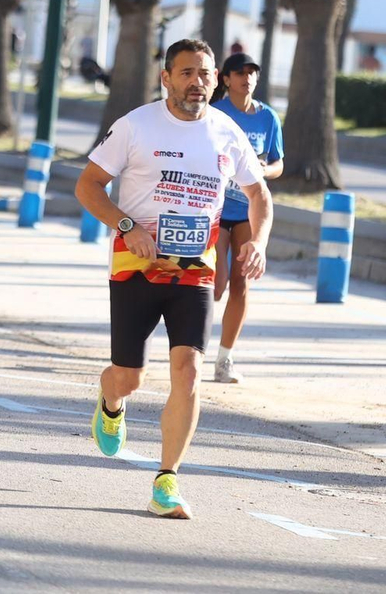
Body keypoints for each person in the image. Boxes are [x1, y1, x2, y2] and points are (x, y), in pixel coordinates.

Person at [74, 38, 271, 519]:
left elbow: (259, 194)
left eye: (205, 73)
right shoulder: (137, 125)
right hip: (136, 266)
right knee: (129, 377)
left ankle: (167, 480)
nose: (197, 82)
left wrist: (257, 241)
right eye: (186, 73)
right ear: (167, 78)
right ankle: (111, 400)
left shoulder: (227, 132)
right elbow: (88, 186)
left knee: (189, 371)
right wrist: (126, 227)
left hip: (195, 272)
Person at [208, 52, 284, 384]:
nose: (247, 77)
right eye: (239, 72)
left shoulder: (268, 118)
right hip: (215, 207)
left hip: (247, 210)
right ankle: (188, 345)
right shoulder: (215, 113)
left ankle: (225, 359)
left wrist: (264, 170)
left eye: (252, 72)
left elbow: (279, 162)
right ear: (225, 79)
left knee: (242, 282)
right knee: (217, 282)